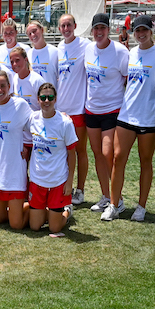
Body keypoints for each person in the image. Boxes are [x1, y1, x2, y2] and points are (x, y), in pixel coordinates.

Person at [104, 15, 155, 222]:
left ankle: (141, 207)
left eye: (144, 30)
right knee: (117, 159)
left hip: (149, 118)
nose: (140, 34)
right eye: (137, 31)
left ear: (151, 31)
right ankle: (115, 204)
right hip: (126, 115)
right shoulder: (131, 53)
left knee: (145, 162)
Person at [85, 13, 129, 213]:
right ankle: (105, 196)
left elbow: (129, 80)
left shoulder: (120, 52)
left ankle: (117, 200)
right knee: (97, 155)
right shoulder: (88, 49)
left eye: (102, 28)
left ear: (108, 30)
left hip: (112, 110)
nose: (99, 32)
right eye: (96, 28)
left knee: (107, 154)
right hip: (91, 110)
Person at [27, 82, 77, 233]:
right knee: (35, 226)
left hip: (58, 181)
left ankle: (66, 211)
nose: (46, 101)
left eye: (50, 97)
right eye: (43, 97)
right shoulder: (32, 118)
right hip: (37, 180)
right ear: (38, 99)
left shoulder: (65, 123)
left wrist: (69, 182)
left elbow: (72, 154)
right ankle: (48, 211)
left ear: (55, 99)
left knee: (55, 229)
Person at [0, 70, 32, 230]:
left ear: (9, 86)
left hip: (14, 173)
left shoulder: (19, 105)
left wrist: (28, 147)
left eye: (2, 86)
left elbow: (37, 123)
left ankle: (40, 209)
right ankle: (21, 208)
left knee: (16, 224)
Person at [57, 14, 91, 206]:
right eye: (63, 26)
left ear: (75, 26)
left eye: (69, 25)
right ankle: (62, 186)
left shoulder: (85, 45)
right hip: (61, 110)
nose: (66, 28)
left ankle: (80, 190)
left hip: (78, 109)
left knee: (80, 151)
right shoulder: (58, 49)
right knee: (62, 151)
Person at [10, 46, 46, 113]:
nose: (14, 64)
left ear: (26, 60)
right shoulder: (14, 79)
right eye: (12, 62)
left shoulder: (37, 81)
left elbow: (46, 106)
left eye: (17, 60)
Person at [26, 20, 59, 86]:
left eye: (34, 31)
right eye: (29, 33)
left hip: (50, 95)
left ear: (42, 30)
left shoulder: (55, 51)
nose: (32, 35)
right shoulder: (28, 53)